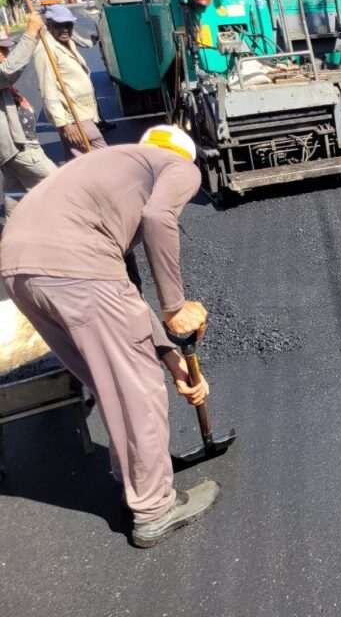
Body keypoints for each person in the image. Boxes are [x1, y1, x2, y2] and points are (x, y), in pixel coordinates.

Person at [1, 125, 219, 548]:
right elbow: (159, 218)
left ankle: (134, 478)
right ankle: (155, 508)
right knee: (136, 390)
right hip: (76, 266)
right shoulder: (177, 165)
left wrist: (171, 359)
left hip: (18, 269)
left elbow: (127, 298)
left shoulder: (106, 168)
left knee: (111, 382)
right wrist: (175, 307)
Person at [1, 16, 57, 226]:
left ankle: (12, 244)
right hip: (18, 148)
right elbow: (9, 71)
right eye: (1, 49)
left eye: (6, 49)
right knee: (58, 185)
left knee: (15, 196)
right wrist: (31, 33)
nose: (6, 54)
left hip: (11, 148)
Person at [33, 4, 107, 160]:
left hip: (83, 112)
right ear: (49, 25)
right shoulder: (45, 49)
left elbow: (86, 41)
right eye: (60, 25)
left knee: (79, 162)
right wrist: (65, 125)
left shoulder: (68, 41)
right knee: (102, 156)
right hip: (73, 117)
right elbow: (48, 91)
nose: (65, 29)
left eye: (68, 24)